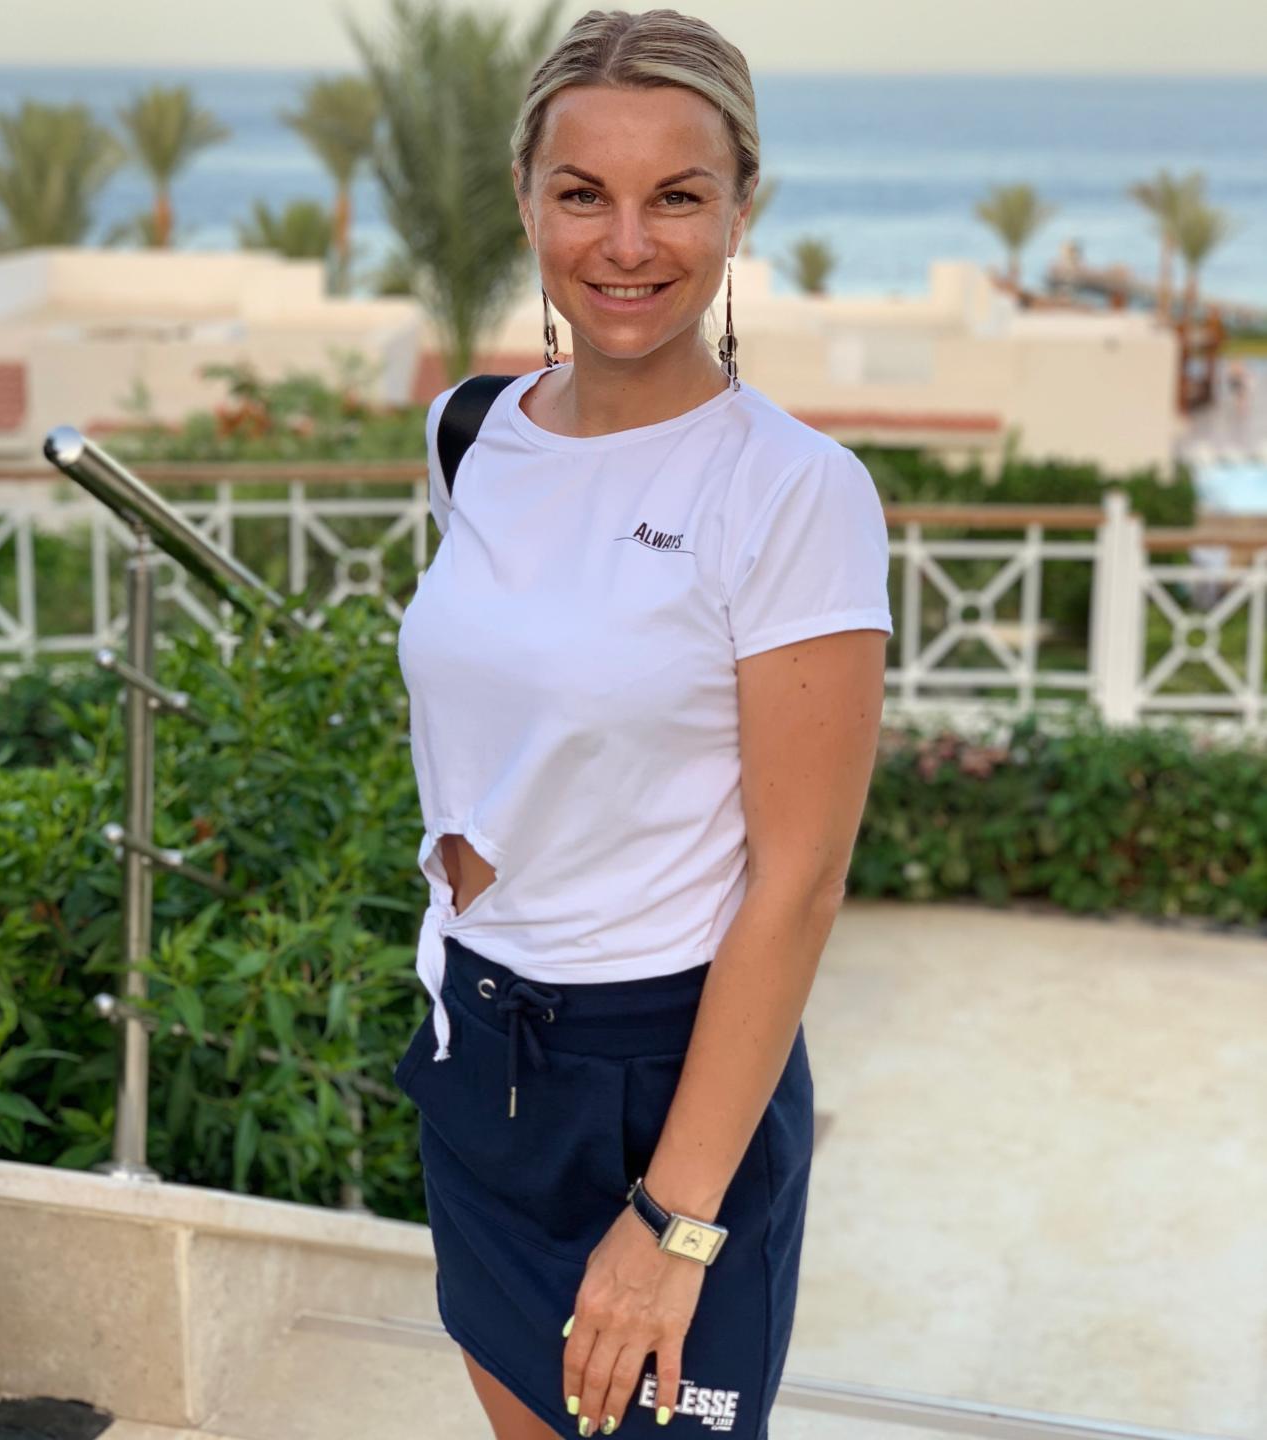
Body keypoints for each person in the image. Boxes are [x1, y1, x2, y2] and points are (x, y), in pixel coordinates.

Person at [392, 9, 893, 1437]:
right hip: (480, 1037)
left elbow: (799, 881)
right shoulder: (470, 433)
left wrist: (674, 1219)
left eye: (676, 195)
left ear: (741, 207)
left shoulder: (792, 491)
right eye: (582, 193)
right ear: (526, 200)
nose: (626, 243)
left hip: (670, 1070)